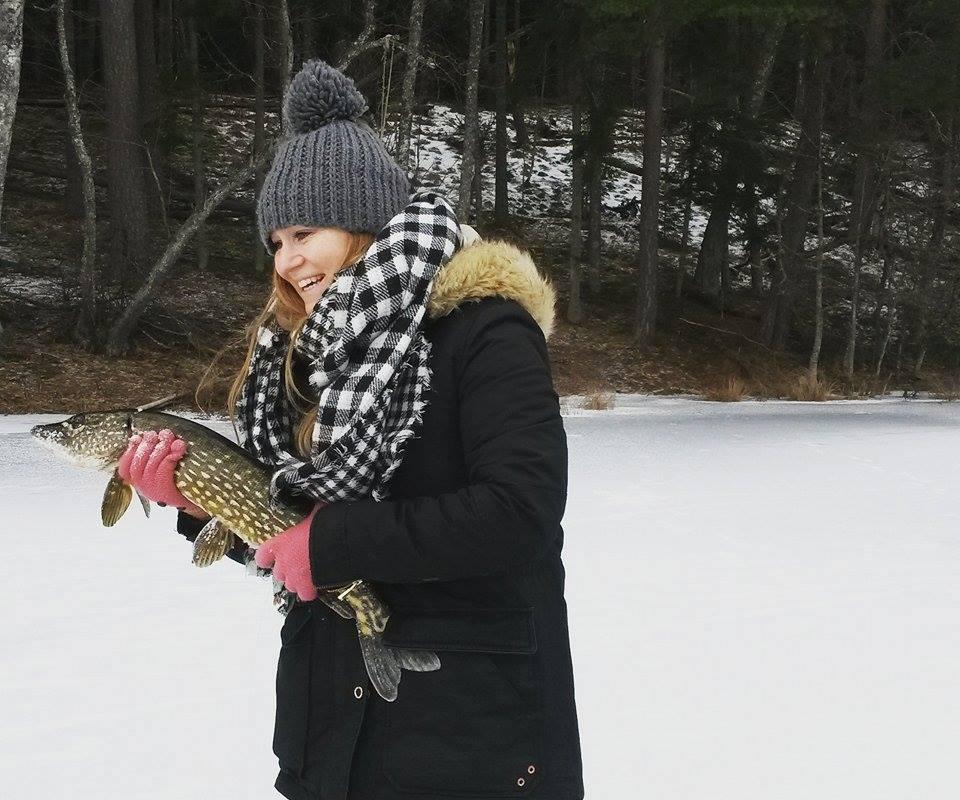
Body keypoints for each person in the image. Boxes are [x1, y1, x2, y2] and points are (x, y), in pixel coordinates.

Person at [119, 59, 583, 800]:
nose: (288, 260)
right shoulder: (305, 363)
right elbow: (292, 541)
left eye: (305, 232)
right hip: (331, 739)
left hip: (470, 746)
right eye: (275, 241)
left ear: (365, 221)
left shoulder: (484, 329)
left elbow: (517, 513)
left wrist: (329, 543)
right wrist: (203, 506)